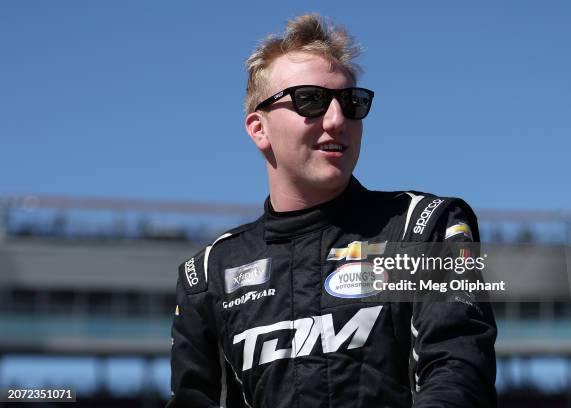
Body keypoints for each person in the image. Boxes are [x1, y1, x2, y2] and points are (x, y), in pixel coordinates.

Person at [167, 13, 496, 408]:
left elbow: (457, 375)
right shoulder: (209, 273)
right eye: (311, 100)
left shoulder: (424, 227)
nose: (337, 120)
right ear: (258, 128)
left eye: (352, 102)